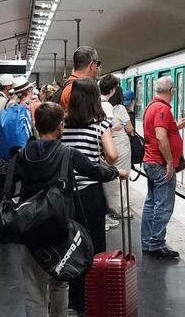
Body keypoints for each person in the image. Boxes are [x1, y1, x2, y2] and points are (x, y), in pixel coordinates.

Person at [13, 102, 128, 317]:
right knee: (60, 280)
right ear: (60, 126)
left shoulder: (23, 153)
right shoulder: (67, 153)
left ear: (36, 125)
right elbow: (94, 171)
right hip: (59, 225)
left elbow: (7, 183)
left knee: (34, 288)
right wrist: (115, 172)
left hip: (29, 227)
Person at [59, 77, 118, 314]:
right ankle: (91, 298)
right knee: (93, 245)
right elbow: (112, 156)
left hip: (65, 194)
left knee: (71, 245)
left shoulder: (63, 125)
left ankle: (73, 299)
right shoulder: (99, 126)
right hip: (91, 193)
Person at [140, 76, 185, 258]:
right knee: (163, 205)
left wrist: (176, 127)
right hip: (160, 164)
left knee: (151, 203)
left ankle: (147, 242)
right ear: (172, 91)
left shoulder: (151, 106)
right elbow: (160, 136)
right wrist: (169, 162)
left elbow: (159, 131)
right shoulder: (162, 108)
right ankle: (156, 244)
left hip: (151, 162)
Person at [99, 75, 133, 228]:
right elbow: (129, 129)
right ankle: (120, 208)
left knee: (109, 178)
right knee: (122, 176)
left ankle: (110, 207)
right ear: (113, 90)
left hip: (105, 146)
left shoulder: (97, 105)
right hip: (120, 146)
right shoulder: (118, 108)